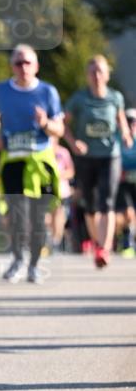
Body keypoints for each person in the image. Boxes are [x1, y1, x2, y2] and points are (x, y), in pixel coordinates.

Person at [0, 44, 64, 284]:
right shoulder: (1, 90)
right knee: (17, 214)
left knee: (39, 217)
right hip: (13, 161)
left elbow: (59, 128)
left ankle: (35, 265)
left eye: (28, 62)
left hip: (39, 161)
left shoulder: (48, 92)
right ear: (12, 66)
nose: (23, 67)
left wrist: (44, 124)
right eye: (18, 63)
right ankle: (18, 259)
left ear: (36, 66)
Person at [64, 55, 132, 268]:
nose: (96, 76)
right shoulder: (79, 99)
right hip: (86, 157)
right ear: (87, 75)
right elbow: (63, 124)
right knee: (91, 206)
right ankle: (97, 242)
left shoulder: (115, 97)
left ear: (107, 74)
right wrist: (74, 143)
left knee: (107, 202)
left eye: (100, 71)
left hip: (110, 155)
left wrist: (127, 135)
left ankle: (105, 247)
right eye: (92, 71)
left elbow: (121, 120)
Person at [116, 108, 136, 256]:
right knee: (128, 213)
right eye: (128, 121)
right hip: (122, 182)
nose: (131, 125)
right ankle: (127, 243)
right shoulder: (118, 138)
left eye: (133, 121)